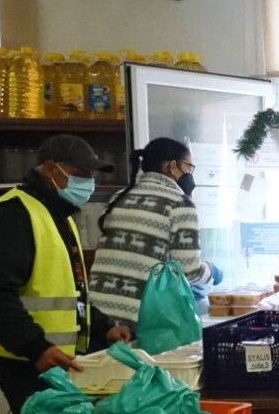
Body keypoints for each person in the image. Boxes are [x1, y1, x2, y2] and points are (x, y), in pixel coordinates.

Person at [0, 135, 131, 414]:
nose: (89, 183)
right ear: (51, 169)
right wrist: (35, 347)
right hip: (20, 354)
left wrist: (103, 326)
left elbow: (69, 292)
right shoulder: (14, 213)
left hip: (47, 353)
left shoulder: (57, 214)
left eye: (92, 175)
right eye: (81, 174)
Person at [89, 137, 214, 334]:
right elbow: (189, 270)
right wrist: (211, 272)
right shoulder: (179, 203)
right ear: (172, 166)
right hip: (139, 319)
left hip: (99, 314)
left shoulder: (119, 197)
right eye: (189, 167)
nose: (190, 174)